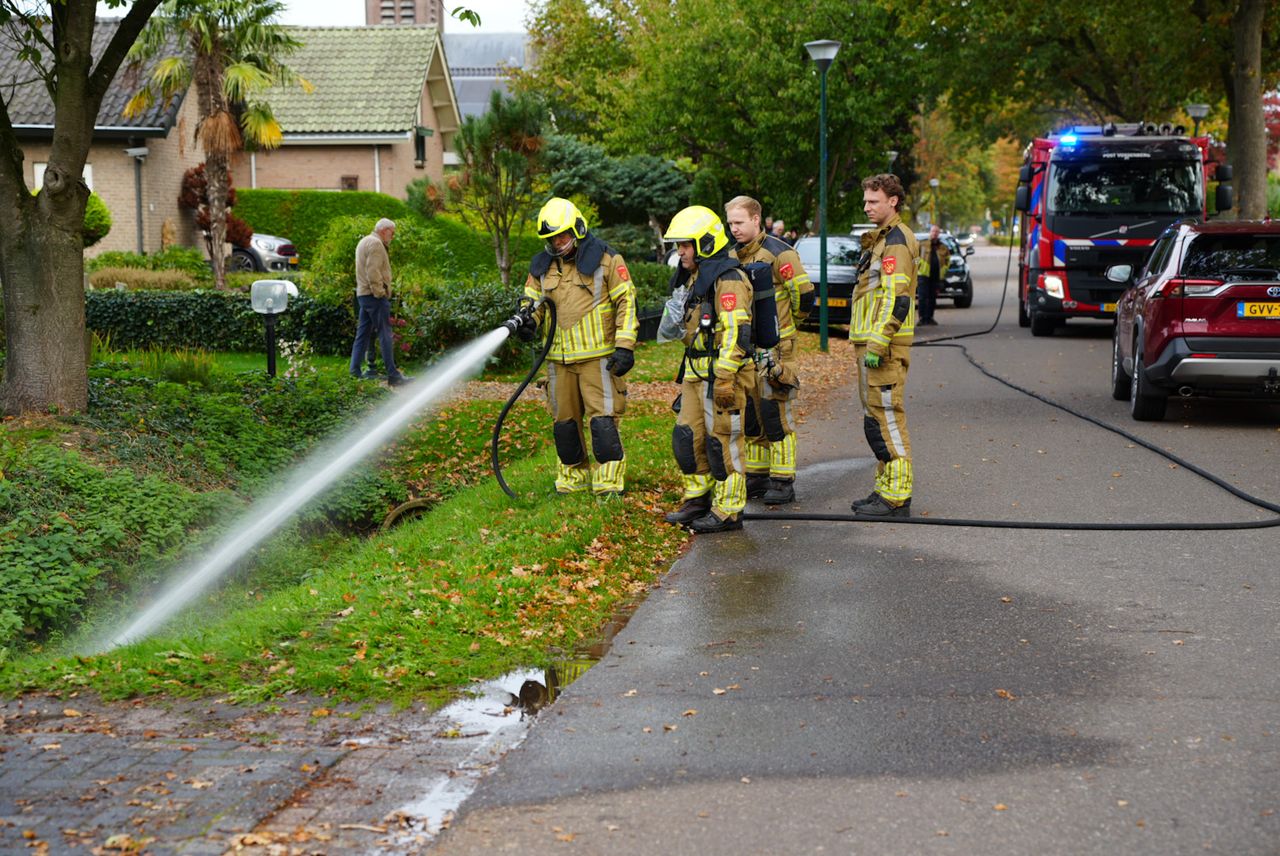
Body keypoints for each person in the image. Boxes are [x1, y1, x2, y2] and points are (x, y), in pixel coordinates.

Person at [523, 197, 637, 496]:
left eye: (561, 235)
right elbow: (531, 302)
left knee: (602, 424)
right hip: (558, 359)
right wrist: (528, 322)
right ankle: (573, 479)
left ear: (578, 228)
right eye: (551, 238)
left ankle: (609, 482)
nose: (556, 243)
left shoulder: (607, 260)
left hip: (598, 357)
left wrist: (624, 345)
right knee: (564, 425)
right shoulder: (541, 266)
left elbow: (627, 301)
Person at [661, 205, 755, 533]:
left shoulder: (728, 279)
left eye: (685, 245)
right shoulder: (698, 276)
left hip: (721, 375)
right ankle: (697, 498)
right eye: (679, 246)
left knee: (722, 443)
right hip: (695, 372)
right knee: (687, 438)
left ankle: (728, 510)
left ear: (704, 243)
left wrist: (726, 378)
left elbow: (736, 332)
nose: (680, 252)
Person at [725, 195, 815, 505]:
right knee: (753, 415)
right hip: (747, 347)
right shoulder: (732, 255)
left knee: (775, 413)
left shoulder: (780, 253)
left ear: (755, 220)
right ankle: (758, 476)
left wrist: (789, 326)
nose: (734, 228)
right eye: (730, 223)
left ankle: (782, 480)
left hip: (777, 347)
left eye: (739, 222)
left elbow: (804, 294)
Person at [850, 174, 919, 517]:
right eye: (865, 201)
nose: (867, 206)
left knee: (887, 418)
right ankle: (885, 488)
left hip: (884, 348)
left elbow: (896, 297)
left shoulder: (895, 242)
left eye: (873, 201)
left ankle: (897, 497)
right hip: (871, 345)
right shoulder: (881, 240)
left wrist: (878, 342)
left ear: (893, 201)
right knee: (875, 418)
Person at [350, 218, 409, 385]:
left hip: (363, 295)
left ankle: (354, 372)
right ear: (384, 230)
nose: (393, 236)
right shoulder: (376, 244)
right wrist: (380, 293)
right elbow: (372, 271)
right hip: (373, 296)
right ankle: (394, 376)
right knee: (385, 334)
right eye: (392, 233)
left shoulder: (364, 241)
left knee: (362, 335)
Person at [917, 224, 949, 326]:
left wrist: (944, 270)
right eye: (933, 231)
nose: (934, 233)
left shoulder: (943, 247)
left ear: (939, 233)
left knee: (932, 298)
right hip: (923, 275)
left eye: (936, 232)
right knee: (922, 297)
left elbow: (948, 260)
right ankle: (922, 318)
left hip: (936, 276)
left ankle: (930, 317)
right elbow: (914, 257)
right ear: (930, 232)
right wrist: (917, 268)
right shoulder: (922, 244)